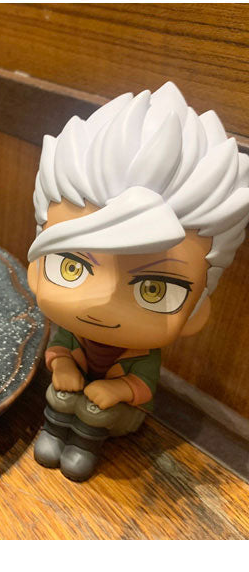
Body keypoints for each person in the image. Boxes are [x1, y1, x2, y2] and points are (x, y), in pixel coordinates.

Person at [27, 81, 249, 481]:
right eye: (71, 268)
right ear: (36, 270)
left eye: (154, 289)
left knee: (95, 409)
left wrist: (115, 391)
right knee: (59, 395)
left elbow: (143, 385)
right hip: (71, 395)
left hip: (117, 414)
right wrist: (62, 367)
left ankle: (82, 447)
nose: (103, 302)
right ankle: (53, 433)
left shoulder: (142, 352)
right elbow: (59, 350)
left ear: (197, 310)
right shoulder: (71, 332)